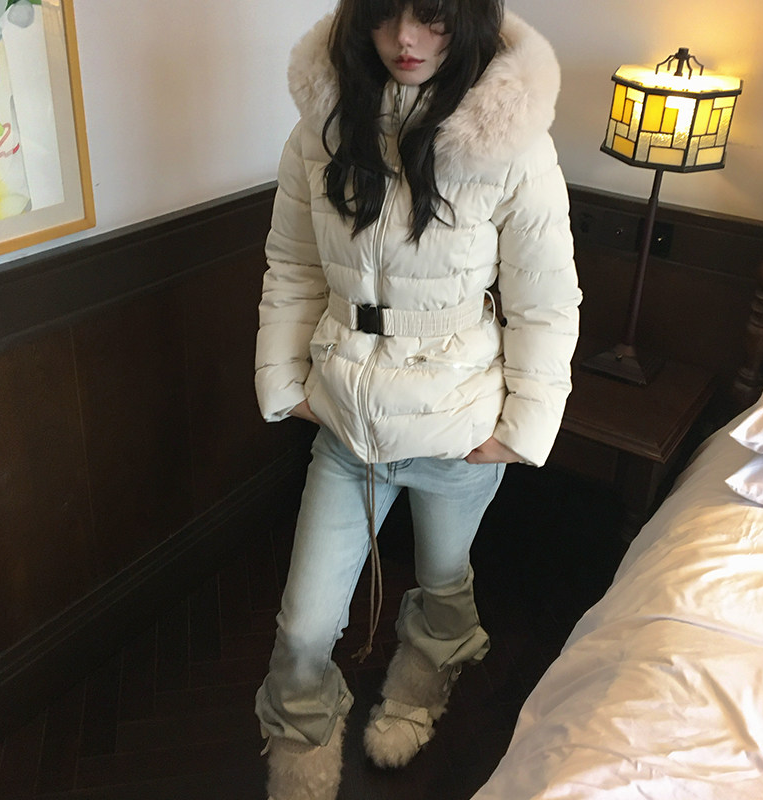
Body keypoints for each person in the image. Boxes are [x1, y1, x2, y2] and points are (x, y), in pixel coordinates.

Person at [253, 1, 581, 797]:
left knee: (442, 579)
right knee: (303, 624)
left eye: (431, 16)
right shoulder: (320, 129)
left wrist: (520, 429)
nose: (405, 38)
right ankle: (298, 732)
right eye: (386, 14)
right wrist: (286, 383)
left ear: (465, 19)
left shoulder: (515, 144)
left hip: (456, 429)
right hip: (344, 423)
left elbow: (544, 300)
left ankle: (426, 677)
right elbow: (293, 266)